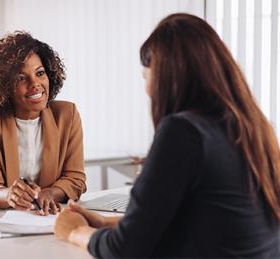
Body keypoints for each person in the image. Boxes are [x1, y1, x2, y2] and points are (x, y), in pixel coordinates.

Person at [54, 13, 280, 257]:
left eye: (146, 76)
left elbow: (125, 251)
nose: (147, 90)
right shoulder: (253, 127)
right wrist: (106, 223)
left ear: (165, 77)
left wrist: (75, 231)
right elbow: (204, 221)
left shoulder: (184, 132)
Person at [0, 31, 86, 215]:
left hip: (48, 218)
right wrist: (9, 195)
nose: (35, 83)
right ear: (3, 86)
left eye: (40, 73)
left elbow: (75, 178)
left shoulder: (67, 115)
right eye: (21, 78)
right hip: (0, 222)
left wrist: (51, 193)